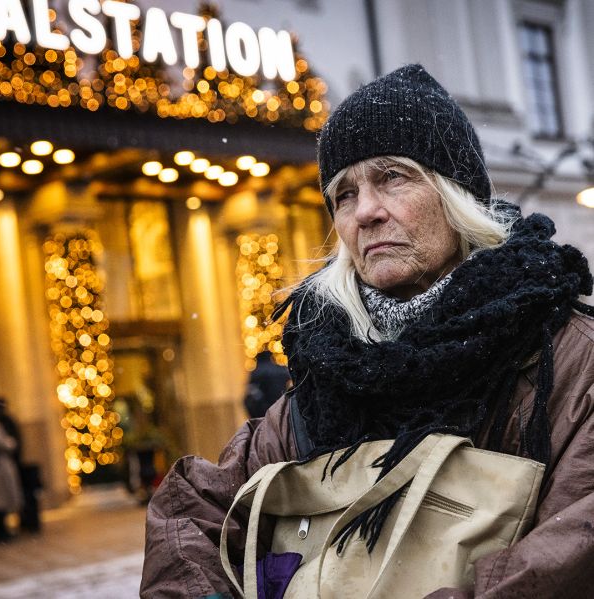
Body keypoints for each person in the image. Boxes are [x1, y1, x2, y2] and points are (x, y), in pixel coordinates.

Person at [140, 65, 594, 598]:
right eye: (345, 194)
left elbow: (569, 553)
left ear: (456, 195)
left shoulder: (566, 357)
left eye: (392, 177)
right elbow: (195, 510)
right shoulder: (326, 373)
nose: (366, 213)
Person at [0, 400, 23, 542]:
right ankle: (1, 531)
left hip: (1, 465)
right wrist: (11, 442)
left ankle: (3, 529)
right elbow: (4, 443)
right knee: (0, 500)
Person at [243, 351, 291, 418]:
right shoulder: (280, 369)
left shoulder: (257, 371)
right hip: (281, 404)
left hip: (265, 408)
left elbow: (252, 389)